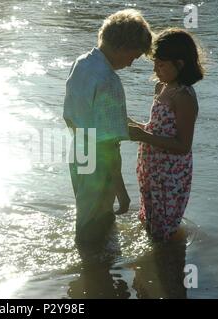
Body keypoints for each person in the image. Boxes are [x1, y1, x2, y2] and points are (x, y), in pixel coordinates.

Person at [63, 9, 153, 243]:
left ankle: (92, 267)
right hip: (98, 161)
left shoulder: (82, 63)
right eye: (133, 57)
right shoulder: (109, 81)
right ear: (122, 47)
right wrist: (121, 191)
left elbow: (78, 117)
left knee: (86, 211)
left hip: (78, 150)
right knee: (95, 222)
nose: (131, 64)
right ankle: (92, 268)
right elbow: (108, 143)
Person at [128, 28, 205, 241]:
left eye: (161, 64)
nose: (155, 69)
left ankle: (169, 266)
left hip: (170, 175)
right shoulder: (162, 87)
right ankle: (152, 269)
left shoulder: (184, 96)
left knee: (163, 233)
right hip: (151, 170)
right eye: (154, 62)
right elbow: (158, 128)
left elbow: (182, 145)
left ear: (180, 64)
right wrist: (136, 126)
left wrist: (143, 136)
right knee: (149, 224)